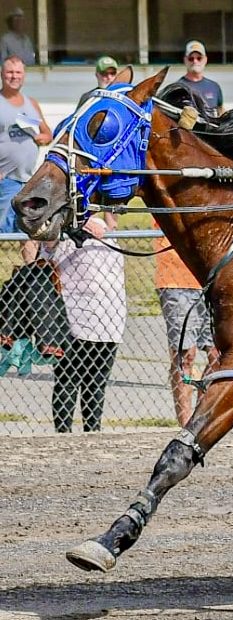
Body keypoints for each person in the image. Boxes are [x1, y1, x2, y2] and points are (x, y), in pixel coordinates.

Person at [37, 215, 126, 433]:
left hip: (109, 319)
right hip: (72, 319)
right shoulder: (63, 230)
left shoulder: (107, 233)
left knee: (96, 383)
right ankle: (63, 434)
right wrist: (79, 225)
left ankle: (92, 432)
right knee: (68, 379)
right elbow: (44, 239)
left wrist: (102, 223)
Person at [154, 233, 219, 427]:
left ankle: (201, 420)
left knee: (218, 356)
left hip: (211, 278)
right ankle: (185, 426)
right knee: (185, 356)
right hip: (176, 280)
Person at [0, 55, 50, 234]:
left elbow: (47, 132)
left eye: (18, 72)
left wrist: (43, 137)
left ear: (24, 75)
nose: (14, 76)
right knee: (3, 228)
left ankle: (29, 254)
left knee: (27, 229)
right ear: (2, 74)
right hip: (5, 178)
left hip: (29, 180)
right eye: (10, 72)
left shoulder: (31, 104)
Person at [179, 40, 223, 117]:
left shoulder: (214, 86)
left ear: (205, 60)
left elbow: (220, 111)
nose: (195, 61)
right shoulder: (178, 88)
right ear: (185, 60)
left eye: (199, 58)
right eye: (191, 58)